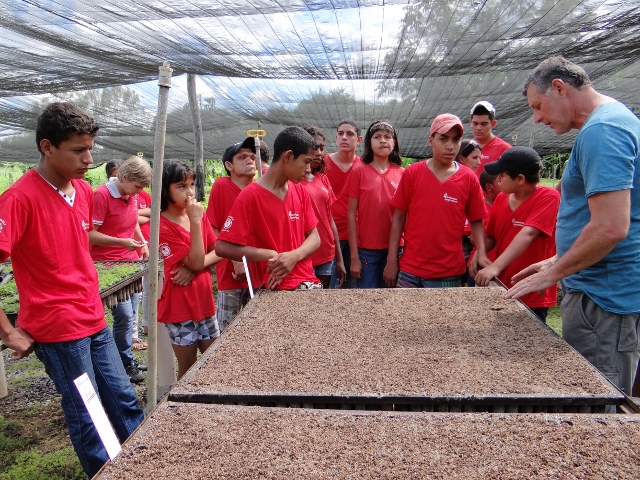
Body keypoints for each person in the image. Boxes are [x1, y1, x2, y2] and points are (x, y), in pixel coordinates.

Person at [0, 102, 143, 478]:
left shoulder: (81, 191)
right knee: (88, 413)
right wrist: (9, 331)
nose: (88, 158)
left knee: (124, 399)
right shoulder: (18, 199)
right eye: (78, 150)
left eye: (90, 148)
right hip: (59, 329)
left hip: (93, 316)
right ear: (47, 147)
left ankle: (144, 466)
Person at [505, 56, 640, 397]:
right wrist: (557, 260)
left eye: (538, 105)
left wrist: (554, 272)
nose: (537, 117)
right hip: (603, 288)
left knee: (597, 400)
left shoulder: (602, 131)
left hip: (602, 298)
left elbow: (610, 227)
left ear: (560, 88)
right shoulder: (614, 119)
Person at [383, 114, 488, 288]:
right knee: (404, 314)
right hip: (410, 269)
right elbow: (398, 218)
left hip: (448, 271)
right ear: (431, 140)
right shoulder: (412, 173)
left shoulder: (468, 178)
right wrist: (391, 260)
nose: (450, 146)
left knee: (442, 315)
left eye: (456, 140)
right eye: (443, 139)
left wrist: (482, 253)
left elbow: (477, 219)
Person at [215, 126, 321, 290]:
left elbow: (315, 237)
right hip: (275, 287)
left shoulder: (300, 191)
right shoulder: (250, 196)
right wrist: (269, 255)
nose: (308, 169)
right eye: (306, 162)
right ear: (288, 156)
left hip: (308, 283)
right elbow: (222, 247)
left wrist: (294, 256)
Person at [470, 147, 560, 322]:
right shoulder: (502, 198)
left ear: (520, 179)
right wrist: (478, 254)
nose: (497, 179)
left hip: (532, 290)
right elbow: (493, 236)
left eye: (502, 175)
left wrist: (494, 267)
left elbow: (529, 233)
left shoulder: (549, 196)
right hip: (502, 285)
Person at [89, 156, 152, 383]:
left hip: (130, 262)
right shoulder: (101, 195)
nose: (138, 193)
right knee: (124, 315)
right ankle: (121, 362)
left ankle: (125, 358)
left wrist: (141, 243)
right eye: (137, 187)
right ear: (124, 177)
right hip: (107, 264)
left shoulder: (130, 195)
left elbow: (133, 220)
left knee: (131, 314)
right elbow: (90, 233)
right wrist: (121, 242)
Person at [158, 160, 221, 379]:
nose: (190, 192)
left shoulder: (196, 215)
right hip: (180, 306)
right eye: (181, 186)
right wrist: (195, 223)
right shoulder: (161, 225)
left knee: (212, 363)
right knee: (189, 369)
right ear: (165, 189)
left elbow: (218, 250)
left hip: (204, 300)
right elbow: (196, 260)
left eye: (191, 185)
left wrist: (195, 268)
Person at [206, 137, 264, 331]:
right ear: (229, 165)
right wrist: (235, 260)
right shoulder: (221, 186)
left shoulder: (262, 187)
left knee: (257, 327)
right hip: (231, 272)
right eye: (242, 157)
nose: (250, 160)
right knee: (227, 328)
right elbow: (212, 229)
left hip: (260, 270)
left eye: (252, 156)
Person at [344, 120, 404, 288]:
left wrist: (395, 258)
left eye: (387, 137)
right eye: (377, 137)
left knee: (392, 302)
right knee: (368, 301)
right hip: (366, 250)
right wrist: (354, 257)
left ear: (394, 142)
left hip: (397, 249)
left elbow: (407, 215)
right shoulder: (359, 171)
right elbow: (350, 214)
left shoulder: (403, 174)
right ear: (369, 143)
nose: (383, 140)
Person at [302, 126, 346, 289]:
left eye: (321, 147)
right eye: (314, 147)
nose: (319, 152)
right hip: (304, 256)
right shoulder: (291, 182)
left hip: (327, 254)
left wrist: (339, 258)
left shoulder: (322, 179)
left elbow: (330, 220)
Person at [325, 120, 363, 288]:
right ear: (335, 138)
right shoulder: (323, 164)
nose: (344, 138)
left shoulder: (363, 166)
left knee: (353, 287)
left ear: (359, 140)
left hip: (357, 237)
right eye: (340, 134)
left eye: (350, 134)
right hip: (330, 235)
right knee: (331, 285)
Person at [457, 139, 483, 284]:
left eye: (479, 157)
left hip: (472, 239)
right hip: (457, 239)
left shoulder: (476, 180)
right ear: (461, 158)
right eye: (474, 158)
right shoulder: (456, 180)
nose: (478, 162)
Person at [469, 101, 512, 176]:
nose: (478, 128)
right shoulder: (464, 148)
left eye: (484, 124)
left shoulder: (505, 149)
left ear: (493, 124)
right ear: (470, 122)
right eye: (475, 123)